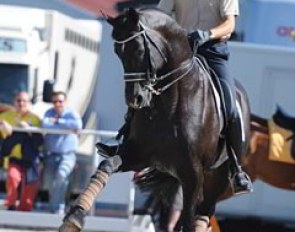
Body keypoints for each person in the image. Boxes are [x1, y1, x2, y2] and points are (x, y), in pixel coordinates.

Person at [157, 0, 253, 195]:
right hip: (182, 53)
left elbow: (229, 24)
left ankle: (236, 169)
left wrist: (207, 34)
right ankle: (128, 137)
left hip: (212, 52)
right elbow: (161, 16)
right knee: (146, 88)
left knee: (231, 108)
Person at [0, 91, 43, 211]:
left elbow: (39, 141)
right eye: (18, 100)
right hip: (14, 157)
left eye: (24, 101)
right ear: (14, 102)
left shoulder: (35, 119)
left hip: (31, 159)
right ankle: (11, 204)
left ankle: (25, 212)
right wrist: (2, 123)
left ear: (29, 103)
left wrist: (29, 129)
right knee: (13, 178)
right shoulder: (6, 116)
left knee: (30, 185)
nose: (21, 103)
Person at [42, 91, 82, 214]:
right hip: (51, 154)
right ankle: (54, 208)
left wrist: (58, 122)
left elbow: (78, 125)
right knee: (52, 183)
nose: (57, 104)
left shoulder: (72, 113)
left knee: (62, 175)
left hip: (67, 155)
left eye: (60, 101)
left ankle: (58, 208)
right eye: (55, 101)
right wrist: (66, 127)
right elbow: (45, 124)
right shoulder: (49, 113)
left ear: (65, 102)